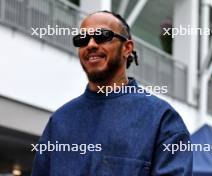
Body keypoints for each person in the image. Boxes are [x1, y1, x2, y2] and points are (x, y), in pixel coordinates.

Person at [32, 11, 192, 176]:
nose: (91, 44)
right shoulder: (59, 121)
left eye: (102, 36)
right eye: (82, 39)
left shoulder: (162, 119)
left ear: (127, 48)